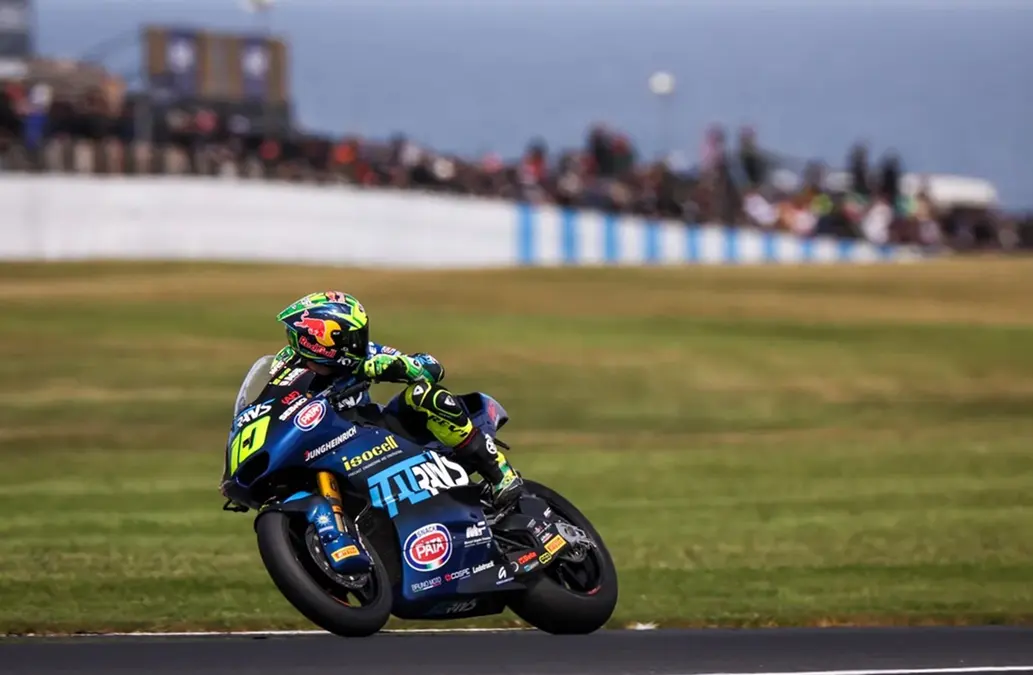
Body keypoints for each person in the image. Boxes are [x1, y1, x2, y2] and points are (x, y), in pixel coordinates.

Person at [271, 290, 523, 508]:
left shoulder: (364, 354)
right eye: (349, 336)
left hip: (374, 433)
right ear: (320, 341)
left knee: (423, 395)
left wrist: (397, 366)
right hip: (320, 442)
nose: (358, 342)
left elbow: (433, 368)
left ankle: (498, 472)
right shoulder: (283, 366)